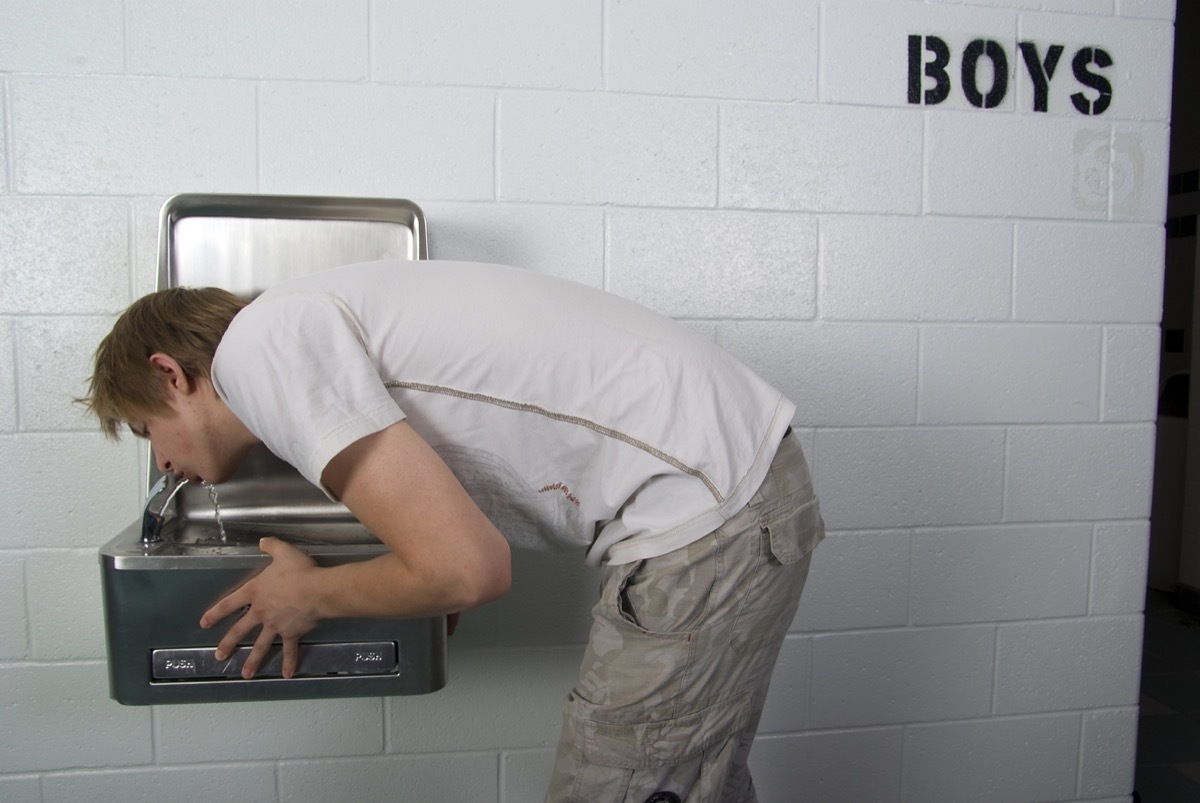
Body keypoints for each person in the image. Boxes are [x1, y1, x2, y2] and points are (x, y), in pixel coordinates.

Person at [82, 259, 824, 803]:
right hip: (731, 494)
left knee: (624, 779)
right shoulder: (297, 324)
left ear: (171, 374)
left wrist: (310, 594)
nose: (163, 459)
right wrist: (419, 568)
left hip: (707, 511)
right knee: (689, 780)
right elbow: (451, 529)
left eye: (148, 429)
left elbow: (471, 569)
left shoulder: (256, 351)